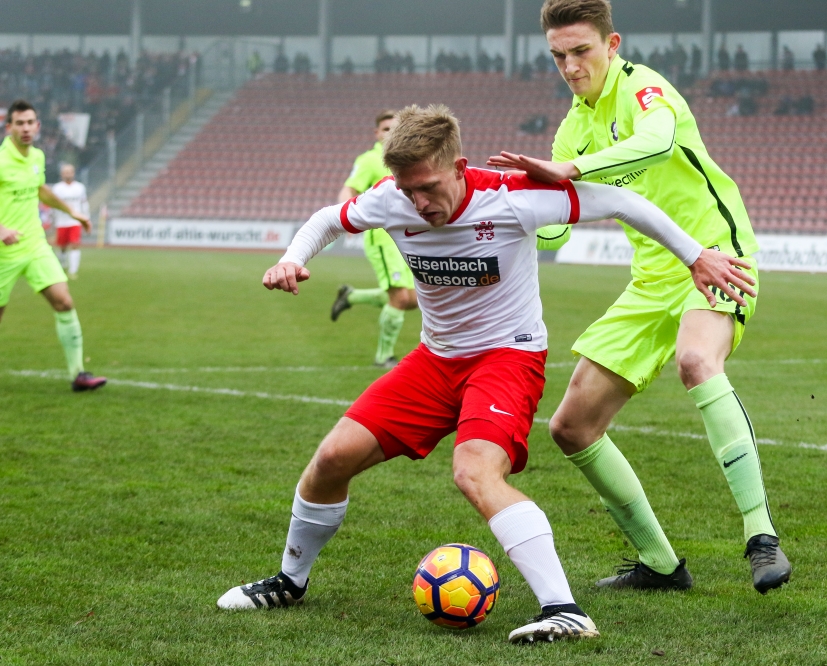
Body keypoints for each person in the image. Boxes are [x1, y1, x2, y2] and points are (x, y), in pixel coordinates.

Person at [216, 104, 750, 643]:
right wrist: (292, 257)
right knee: (332, 458)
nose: (418, 203)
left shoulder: (511, 196)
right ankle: (290, 581)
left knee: (474, 471)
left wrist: (694, 255)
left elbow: (621, 200)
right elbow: (330, 219)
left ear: (458, 167)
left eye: (427, 187)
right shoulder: (391, 197)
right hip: (434, 360)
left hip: (506, 358)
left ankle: (564, 609)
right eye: (408, 191)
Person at [488, 0, 791, 595]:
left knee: (697, 359)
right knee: (572, 425)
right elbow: (557, 226)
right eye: (558, 57)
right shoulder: (573, 126)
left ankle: (761, 536)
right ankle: (659, 563)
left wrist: (568, 171)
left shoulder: (647, 89)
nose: (570, 67)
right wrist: (515, 207)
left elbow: (655, 144)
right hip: (651, 276)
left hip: (712, 250)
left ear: (612, 44)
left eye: (581, 51)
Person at [0, 100, 105, 391]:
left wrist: (73, 213)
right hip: (2, 253)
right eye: (19, 123)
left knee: (64, 301)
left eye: (30, 122)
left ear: (37, 126)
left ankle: (79, 374)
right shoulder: (1, 160)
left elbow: (40, 190)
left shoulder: (37, 157)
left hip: (34, 245)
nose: (25, 128)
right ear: (8, 127)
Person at [329, 110, 418, 368]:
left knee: (413, 299)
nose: (391, 133)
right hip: (383, 237)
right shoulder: (369, 160)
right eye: (386, 129)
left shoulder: (408, 158)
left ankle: (351, 297)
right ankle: (384, 357)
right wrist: (345, 216)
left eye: (396, 128)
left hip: (409, 236)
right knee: (400, 298)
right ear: (377, 133)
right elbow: (350, 187)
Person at [50, 163, 89, 279]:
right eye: (65, 172)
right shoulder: (57, 188)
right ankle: (62, 263)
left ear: (73, 173)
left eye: (70, 172)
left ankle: (73, 270)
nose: (67, 174)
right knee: (62, 246)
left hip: (75, 221)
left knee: (75, 244)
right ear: (62, 174)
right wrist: (53, 219)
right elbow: (53, 205)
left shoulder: (80, 187)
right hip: (61, 222)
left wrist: (85, 218)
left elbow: (84, 203)